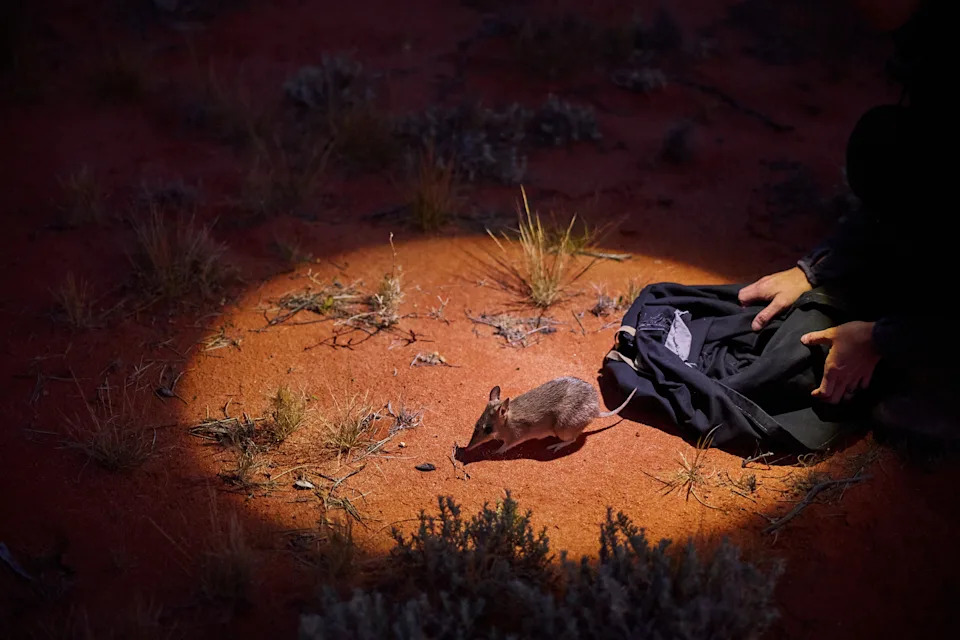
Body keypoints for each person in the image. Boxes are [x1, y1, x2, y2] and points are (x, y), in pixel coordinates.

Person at [737, 0, 953, 438]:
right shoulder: (936, 35)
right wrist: (812, 270)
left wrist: (882, 339)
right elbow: (928, 162)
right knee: (887, 143)